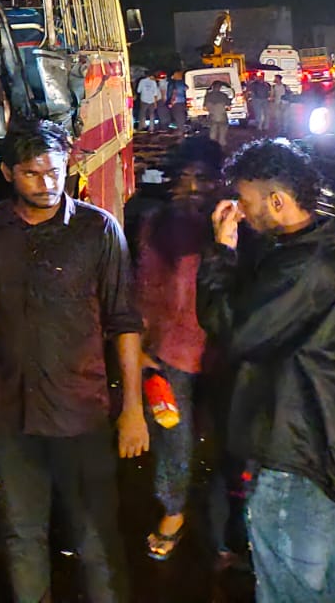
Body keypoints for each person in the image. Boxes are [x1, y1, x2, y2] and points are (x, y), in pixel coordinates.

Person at [0, 119, 149, 603]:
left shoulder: (97, 228)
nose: (48, 184)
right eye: (34, 174)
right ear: (9, 173)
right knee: (22, 531)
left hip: (82, 411)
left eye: (56, 172)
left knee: (96, 535)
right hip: (10, 410)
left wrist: (134, 409)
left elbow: (124, 320)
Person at [198, 138, 335, 602]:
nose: (240, 209)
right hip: (328, 449)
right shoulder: (320, 252)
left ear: (276, 201)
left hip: (298, 458)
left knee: (288, 592)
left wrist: (221, 250)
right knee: (334, 588)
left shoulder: (304, 268)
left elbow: (232, 329)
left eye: (246, 199)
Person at [134, 137, 224, 561]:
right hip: (170, 353)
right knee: (173, 436)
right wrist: (141, 347)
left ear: (218, 183)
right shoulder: (157, 225)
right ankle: (174, 512)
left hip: (225, 355)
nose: (190, 190)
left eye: (201, 180)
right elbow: (143, 287)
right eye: (182, 180)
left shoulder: (232, 225)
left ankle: (226, 531)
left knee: (230, 441)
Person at [204, 79, 235, 147]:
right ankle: (222, 143)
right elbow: (229, 106)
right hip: (222, 115)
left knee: (213, 130)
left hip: (212, 116)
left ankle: (212, 144)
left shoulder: (208, 96)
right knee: (223, 129)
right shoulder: (223, 95)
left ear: (212, 87)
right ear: (220, 87)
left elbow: (205, 107)